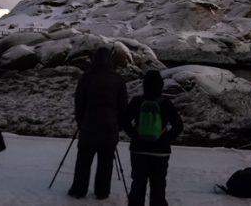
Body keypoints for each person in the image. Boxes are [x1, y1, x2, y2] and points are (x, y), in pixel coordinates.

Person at [68, 46, 128, 200]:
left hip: (89, 127)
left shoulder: (86, 77)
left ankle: (78, 189)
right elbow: (123, 107)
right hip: (109, 129)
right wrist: (118, 126)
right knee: (106, 163)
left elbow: (79, 103)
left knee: (83, 161)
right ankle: (102, 191)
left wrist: (81, 122)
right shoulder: (118, 79)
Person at [121, 70, 183, 206]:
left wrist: (135, 136)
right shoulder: (166, 103)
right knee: (158, 186)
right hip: (160, 152)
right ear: (161, 85)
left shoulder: (137, 101)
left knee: (138, 184)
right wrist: (166, 139)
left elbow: (124, 122)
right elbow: (178, 126)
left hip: (139, 150)